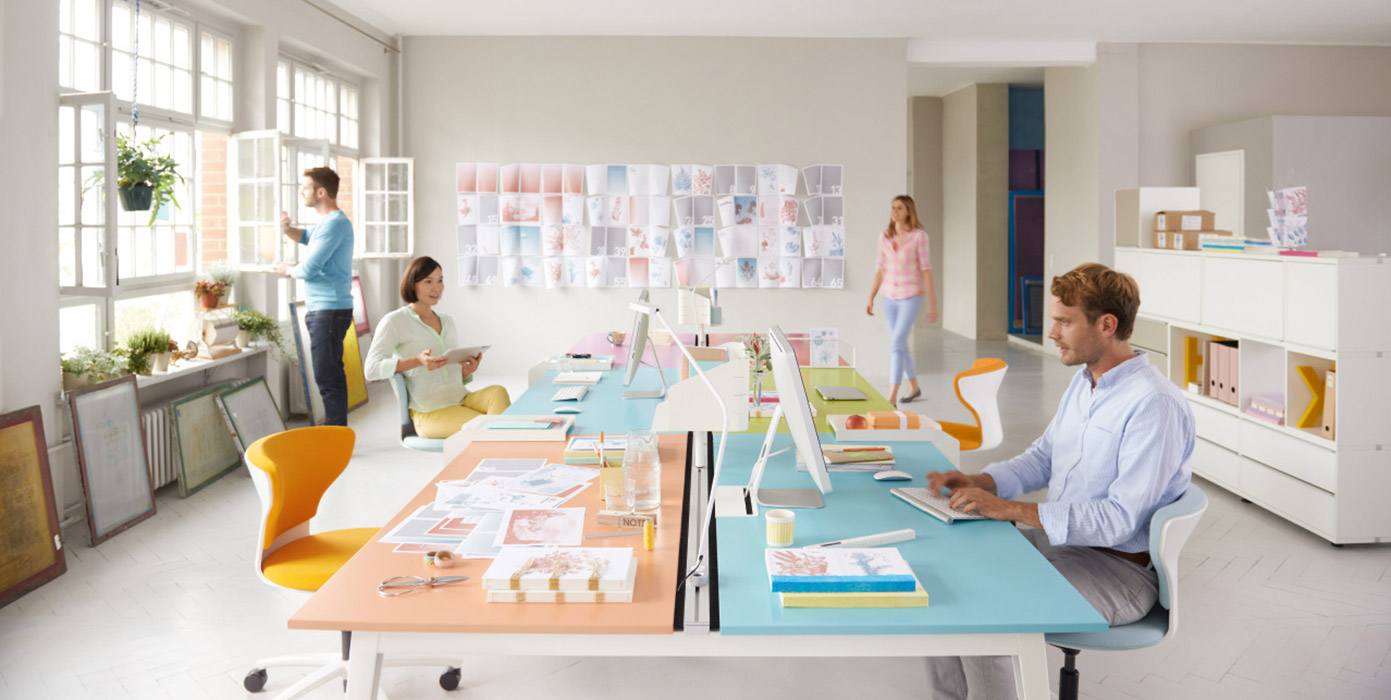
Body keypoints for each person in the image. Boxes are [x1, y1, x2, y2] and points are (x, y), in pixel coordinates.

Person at [921, 263, 1194, 700]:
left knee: (985, 614)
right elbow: (1043, 458)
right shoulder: (1085, 383)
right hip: (1063, 547)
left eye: (1065, 321)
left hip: (1117, 572)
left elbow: (1119, 520)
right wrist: (982, 481)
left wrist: (1011, 511)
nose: (1051, 332)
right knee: (945, 575)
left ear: (1107, 325)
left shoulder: (1153, 405)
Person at [364, 256, 511, 440]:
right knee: (491, 427)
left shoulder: (447, 321)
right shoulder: (394, 321)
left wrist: (466, 371)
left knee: (497, 393)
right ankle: (499, 446)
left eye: (440, 280)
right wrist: (417, 361)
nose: (437, 288)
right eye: (428, 282)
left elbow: (448, 374)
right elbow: (371, 370)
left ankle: (499, 445)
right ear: (413, 284)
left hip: (461, 399)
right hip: (431, 412)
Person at [274, 167, 355, 426]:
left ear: (321, 192)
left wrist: (286, 269)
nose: (302, 191)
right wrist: (288, 230)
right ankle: (338, 434)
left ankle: (335, 437)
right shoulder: (329, 223)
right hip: (327, 310)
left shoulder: (334, 224)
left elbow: (309, 268)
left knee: (327, 377)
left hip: (329, 311)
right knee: (331, 374)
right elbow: (309, 238)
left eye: (306, 187)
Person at [866, 195, 939, 404]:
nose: (894, 211)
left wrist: (932, 303)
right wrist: (871, 296)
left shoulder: (919, 237)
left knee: (896, 344)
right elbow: (880, 270)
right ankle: (914, 386)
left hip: (911, 296)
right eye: (893, 208)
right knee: (900, 344)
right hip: (888, 297)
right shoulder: (884, 237)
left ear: (908, 211)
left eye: (899, 208)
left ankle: (891, 396)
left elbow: (926, 271)